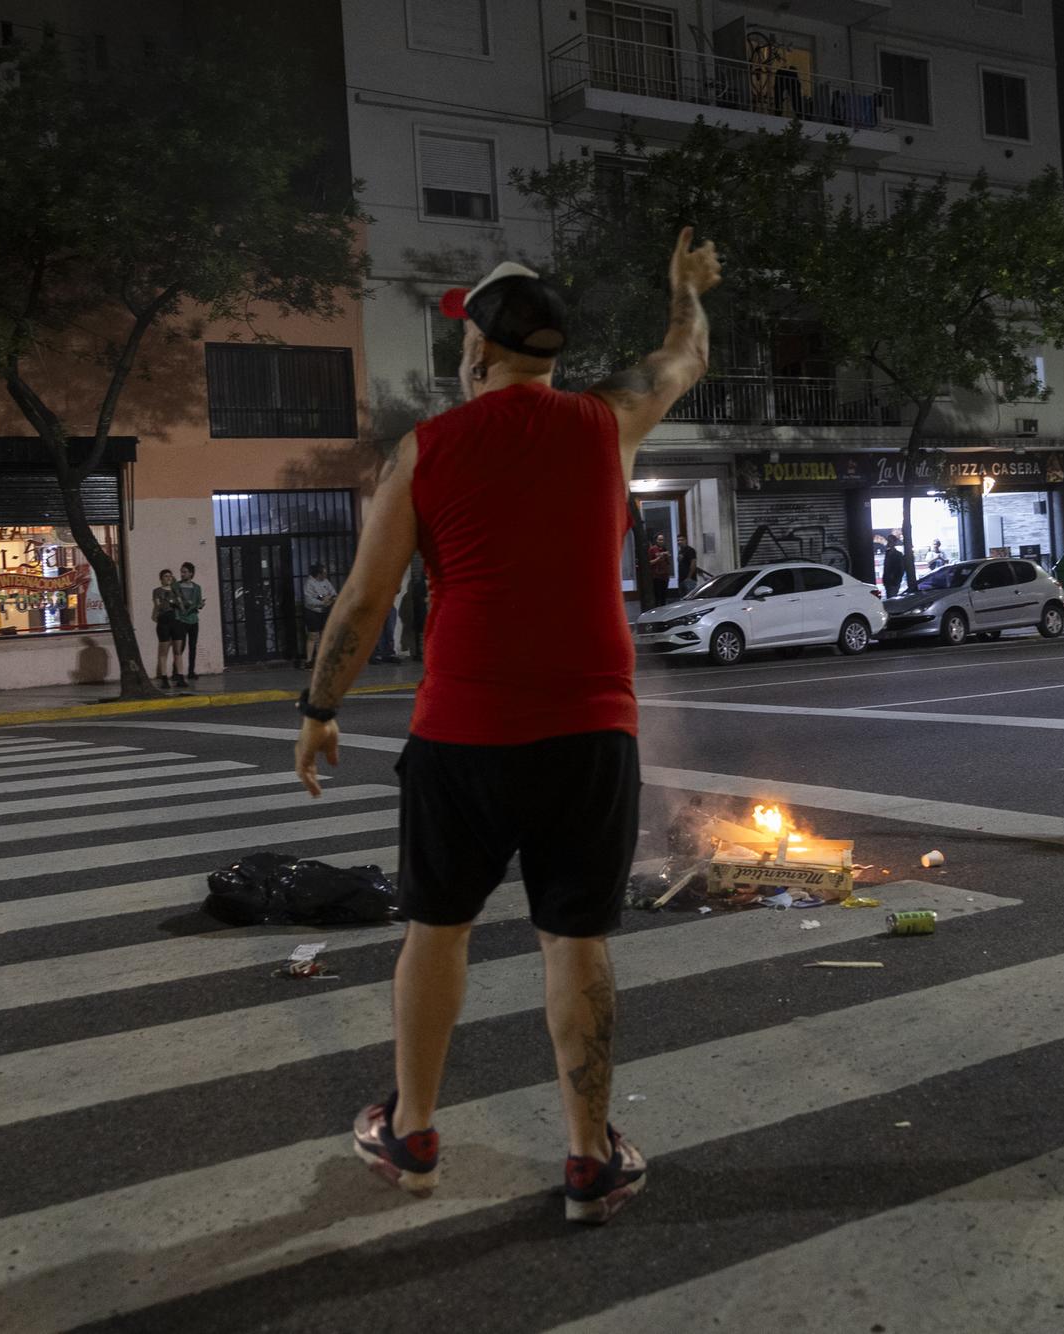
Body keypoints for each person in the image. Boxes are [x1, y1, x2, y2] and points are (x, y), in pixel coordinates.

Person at [294, 229, 721, 1224]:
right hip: (589, 732)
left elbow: (363, 598)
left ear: (475, 353)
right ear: (552, 354)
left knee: (434, 929)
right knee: (573, 941)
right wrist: (683, 287)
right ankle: (586, 1160)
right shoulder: (603, 423)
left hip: (462, 734)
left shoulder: (426, 450)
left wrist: (319, 710)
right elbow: (683, 357)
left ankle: (412, 1134)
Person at [300, 562, 337, 669]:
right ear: (318, 574)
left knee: (323, 635)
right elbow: (309, 600)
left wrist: (328, 598)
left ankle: (321, 659)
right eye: (324, 572)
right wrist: (323, 601)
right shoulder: (309, 583)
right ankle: (309, 660)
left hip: (324, 611)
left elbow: (333, 593)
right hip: (313, 611)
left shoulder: (325, 581)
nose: (326, 574)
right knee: (313, 636)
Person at [174, 562, 205, 682]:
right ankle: (177, 672)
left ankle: (191, 671)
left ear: (191, 573)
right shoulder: (176, 586)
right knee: (180, 647)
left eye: (185, 572)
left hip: (193, 620)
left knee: (193, 646)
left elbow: (198, 603)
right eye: (181, 571)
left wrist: (200, 604)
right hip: (181, 620)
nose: (182, 574)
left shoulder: (197, 588)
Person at [151, 569, 181, 689]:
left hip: (176, 620)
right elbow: (158, 605)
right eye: (165, 576)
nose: (168, 578)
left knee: (178, 650)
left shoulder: (176, 590)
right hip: (164, 621)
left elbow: (180, 604)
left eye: (170, 576)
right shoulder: (157, 591)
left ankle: (180, 675)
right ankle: (164, 677)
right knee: (164, 651)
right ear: (161, 578)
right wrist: (168, 601)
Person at [645, 538, 671, 610]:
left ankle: (663, 611)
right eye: (659, 540)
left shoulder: (664, 549)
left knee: (664, 596)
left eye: (662, 539)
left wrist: (667, 556)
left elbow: (668, 563)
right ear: (656, 540)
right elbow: (649, 562)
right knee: (657, 596)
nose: (661, 541)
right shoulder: (652, 549)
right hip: (656, 576)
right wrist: (658, 558)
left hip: (665, 576)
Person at [882, 530, 908, 598]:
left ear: (894, 542)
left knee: (892, 598)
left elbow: (901, 569)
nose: (889, 543)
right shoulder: (887, 553)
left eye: (891, 541)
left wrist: (896, 580)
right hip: (887, 581)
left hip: (894, 582)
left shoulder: (898, 554)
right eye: (889, 541)